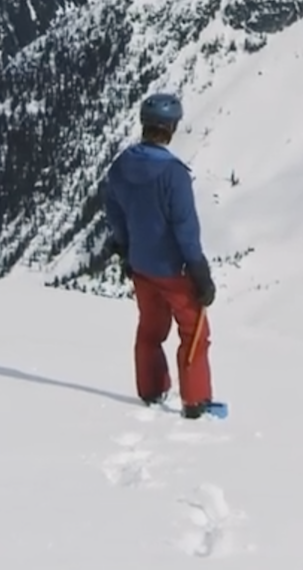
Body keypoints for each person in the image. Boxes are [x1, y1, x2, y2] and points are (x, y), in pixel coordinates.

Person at [101, 91, 220, 419]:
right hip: (173, 269)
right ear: (170, 127)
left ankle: (151, 388)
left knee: (150, 329)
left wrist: (125, 248)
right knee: (195, 332)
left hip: (141, 265)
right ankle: (195, 401)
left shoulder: (122, 164)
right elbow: (185, 228)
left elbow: (114, 210)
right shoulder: (173, 174)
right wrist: (199, 271)